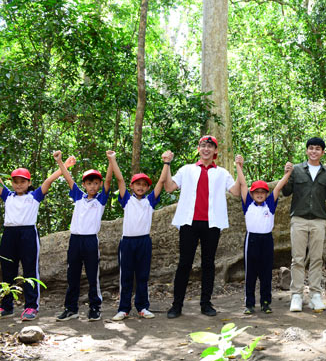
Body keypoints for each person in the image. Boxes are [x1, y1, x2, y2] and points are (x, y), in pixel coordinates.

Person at [163, 135, 241, 318]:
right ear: (198, 149)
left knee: (208, 264)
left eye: (210, 146)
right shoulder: (187, 170)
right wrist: (167, 164)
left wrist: (239, 168)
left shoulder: (222, 173)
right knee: (184, 264)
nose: (206, 149)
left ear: (215, 151)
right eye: (203, 146)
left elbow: (236, 191)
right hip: (188, 222)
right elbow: (168, 187)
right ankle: (177, 305)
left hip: (212, 224)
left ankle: (206, 303)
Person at [0, 153, 74, 320]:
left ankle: (31, 307)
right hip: (9, 234)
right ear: (12, 183)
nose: (19, 185)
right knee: (7, 271)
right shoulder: (7, 196)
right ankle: (6, 306)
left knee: (30, 271)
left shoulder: (34, 197)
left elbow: (48, 181)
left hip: (27, 234)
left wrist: (64, 166)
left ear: (29, 182)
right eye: (16, 182)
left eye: (23, 181)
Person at [108, 150, 171, 321]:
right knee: (126, 276)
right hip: (127, 242)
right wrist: (112, 159)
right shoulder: (127, 199)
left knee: (142, 275)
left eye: (144, 184)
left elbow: (161, 182)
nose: (141, 187)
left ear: (147, 188)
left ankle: (143, 307)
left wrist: (166, 163)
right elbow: (119, 179)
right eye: (137, 184)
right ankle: (124, 309)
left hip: (144, 241)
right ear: (132, 186)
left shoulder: (150, 201)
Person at [54, 151, 113, 321]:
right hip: (75, 240)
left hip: (90, 241)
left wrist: (110, 161)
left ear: (99, 184)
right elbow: (68, 178)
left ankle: (95, 308)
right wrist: (60, 162)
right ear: (84, 185)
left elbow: (109, 181)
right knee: (72, 275)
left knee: (92, 275)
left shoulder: (100, 200)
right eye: (89, 183)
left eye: (96, 183)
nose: (93, 186)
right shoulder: (79, 197)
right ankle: (71, 309)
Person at [281, 137, 326, 312]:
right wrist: (287, 173)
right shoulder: (296, 170)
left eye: (317, 149)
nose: (314, 151)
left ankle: (315, 295)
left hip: (318, 220)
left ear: (322, 152)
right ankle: (296, 295)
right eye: (311, 148)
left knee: (316, 258)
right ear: (306, 151)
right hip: (299, 219)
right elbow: (286, 191)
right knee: (297, 259)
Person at [235, 155, 291, 315]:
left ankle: (266, 303)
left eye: (262, 192)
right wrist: (239, 165)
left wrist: (287, 173)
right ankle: (249, 304)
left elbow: (279, 187)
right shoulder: (247, 203)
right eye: (256, 192)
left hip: (267, 240)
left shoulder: (270, 204)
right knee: (250, 274)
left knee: (266, 273)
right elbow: (243, 184)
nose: (259, 194)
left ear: (266, 194)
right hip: (251, 240)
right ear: (252, 194)